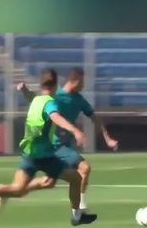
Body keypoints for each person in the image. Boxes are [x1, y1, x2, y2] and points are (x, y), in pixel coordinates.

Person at [0, 69, 97, 226]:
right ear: (56, 84)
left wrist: (24, 90)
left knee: (19, 189)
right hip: (46, 156)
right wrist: (75, 130)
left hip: (29, 154)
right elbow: (55, 117)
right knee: (76, 178)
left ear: (41, 84)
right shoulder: (50, 103)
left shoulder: (38, 100)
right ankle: (77, 216)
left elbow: (32, 97)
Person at [18, 67, 118, 212]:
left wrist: (108, 139)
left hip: (64, 146)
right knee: (84, 168)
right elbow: (36, 101)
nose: (84, 85)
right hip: (54, 145)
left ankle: (14, 190)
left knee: (49, 182)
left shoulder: (79, 100)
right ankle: (81, 208)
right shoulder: (56, 95)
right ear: (75, 81)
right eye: (83, 82)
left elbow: (94, 118)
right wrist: (25, 91)